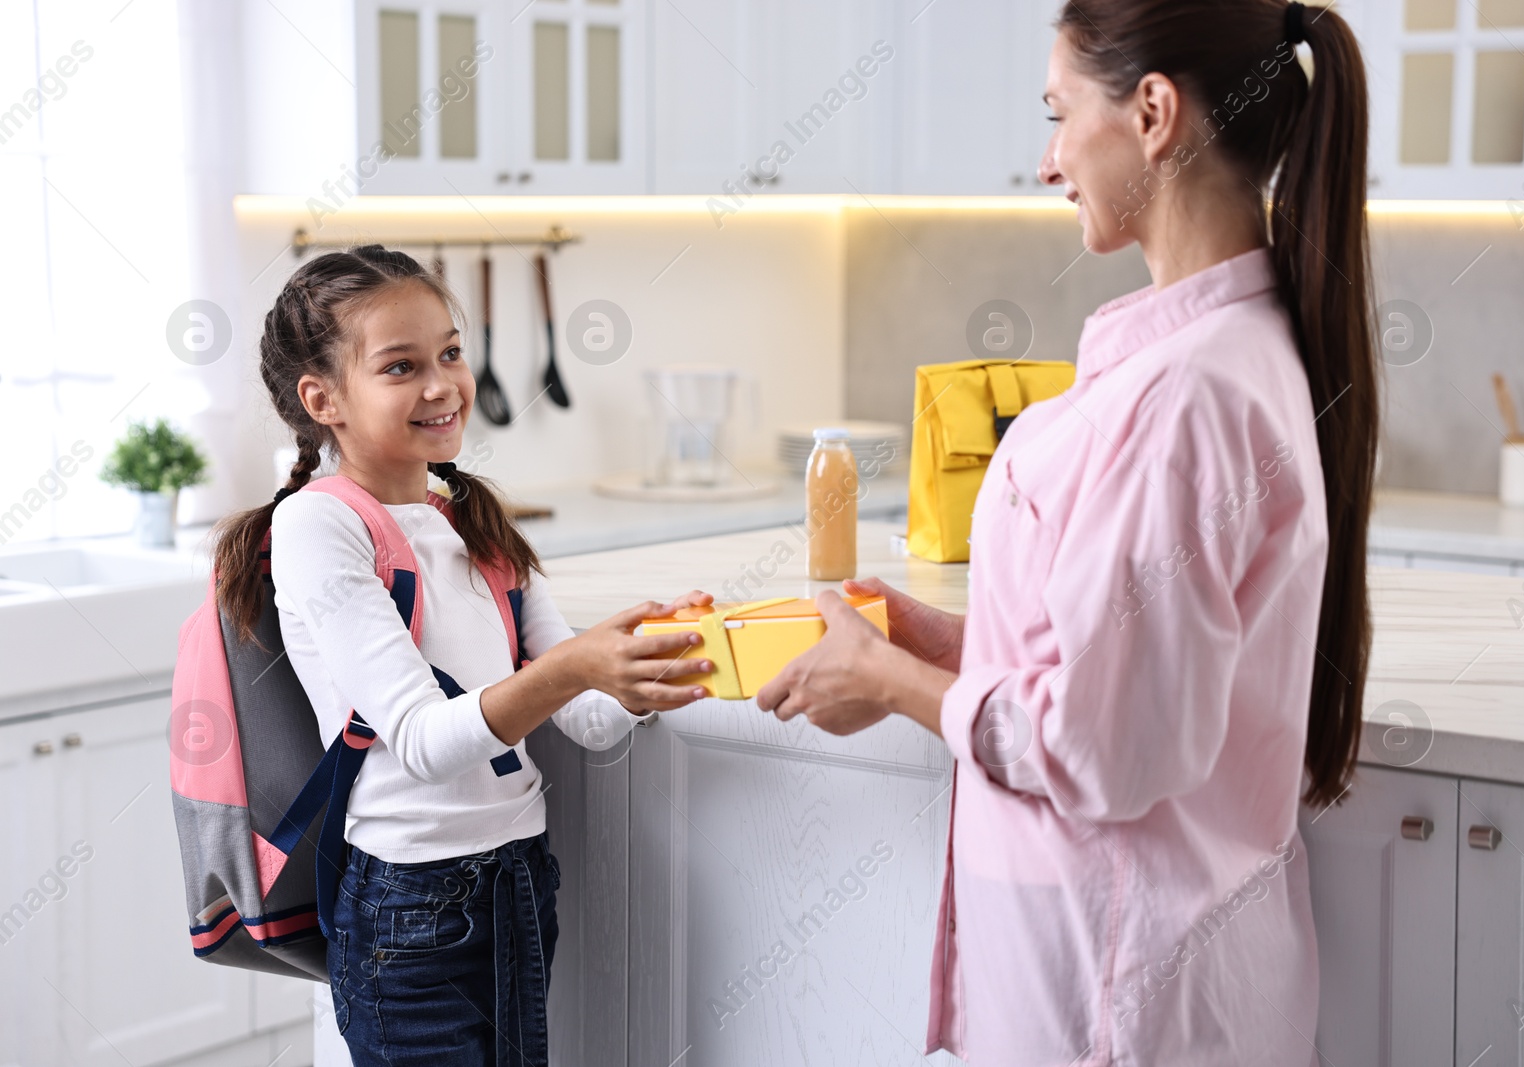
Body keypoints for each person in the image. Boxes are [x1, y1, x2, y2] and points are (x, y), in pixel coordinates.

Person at [755, 2, 1376, 1063]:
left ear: (1152, 113)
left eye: (1058, 114)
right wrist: (946, 644)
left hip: (1119, 992)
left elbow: (1105, 745)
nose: (1048, 161)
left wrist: (895, 685)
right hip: (1165, 979)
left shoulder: (1183, 396)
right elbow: (1137, 668)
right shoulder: (1227, 353)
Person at [207, 245, 715, 1065]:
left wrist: (642, 676)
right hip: (408, 901)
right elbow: (423, 742)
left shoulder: (473, 520)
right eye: (402, 365)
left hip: (519, 876)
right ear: (322, 398)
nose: (443, 383)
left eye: (450, 352)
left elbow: (585, 722)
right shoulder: (319, 526)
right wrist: (575, 665)